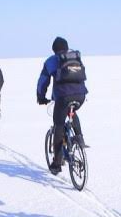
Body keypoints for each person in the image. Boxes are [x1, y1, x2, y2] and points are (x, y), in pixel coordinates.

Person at [36, 36, 88, 175]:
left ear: (54, 50)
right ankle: (79, 138)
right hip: (81, 95)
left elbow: (43, 82)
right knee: (72, 112)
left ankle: (57, 163)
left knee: (59, 125)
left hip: (63, 97)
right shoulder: (75, 57)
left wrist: (41, 97)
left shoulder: (51, 61)